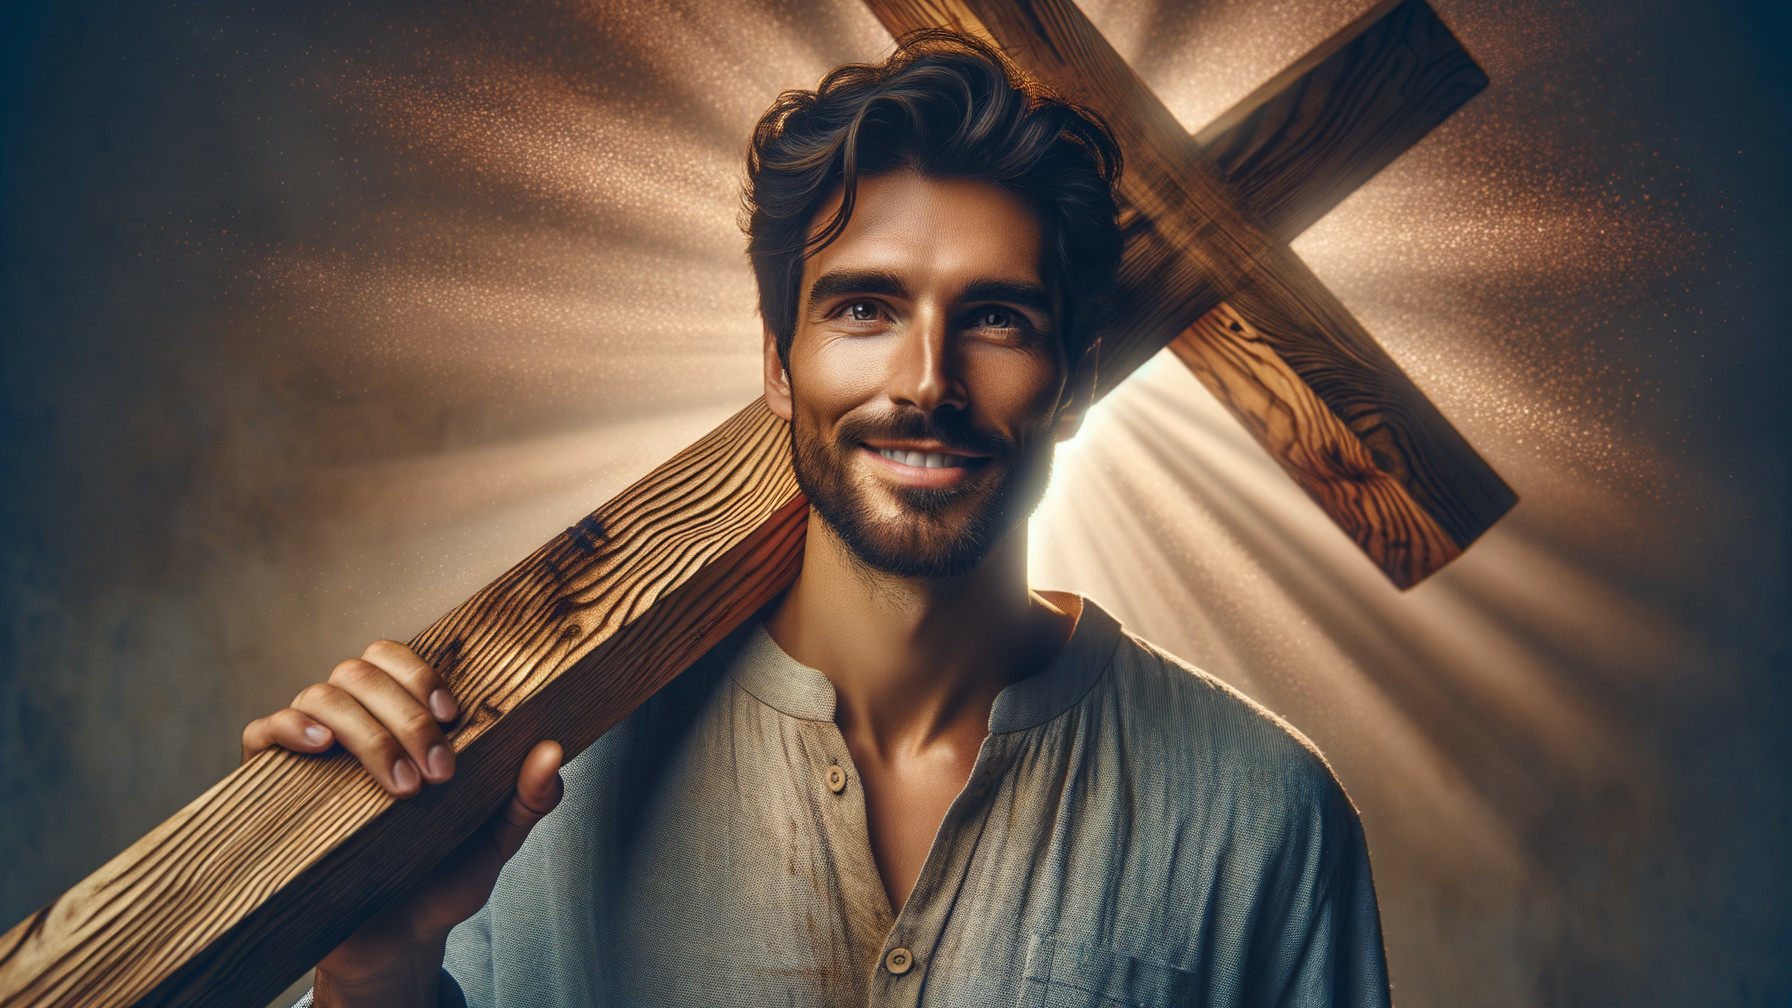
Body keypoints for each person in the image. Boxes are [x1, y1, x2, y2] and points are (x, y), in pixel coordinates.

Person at [250, 30, 1390, 1008]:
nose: (926, 381)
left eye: (994, 316)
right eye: (864, 307)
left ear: (1076, 379)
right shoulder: (542, 778)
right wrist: (373, 976)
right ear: (777, 362)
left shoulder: (1260, 814)